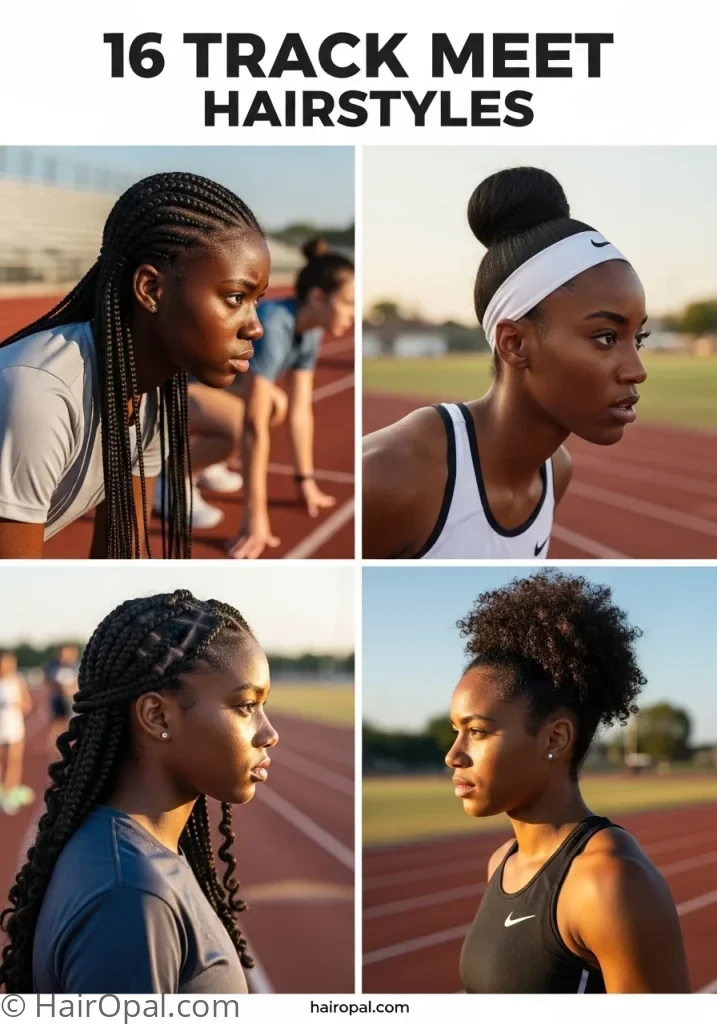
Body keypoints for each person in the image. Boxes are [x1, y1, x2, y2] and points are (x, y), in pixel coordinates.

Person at [0, 589, 278, 994]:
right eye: (246, 705)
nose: (269, 734)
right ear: (156, 715)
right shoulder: (130, 897)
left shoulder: (133, 856)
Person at [363, 167, 649, 558]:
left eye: (639, 338)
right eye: (606, 337)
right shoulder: (390, 477)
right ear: (513, 343)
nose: (637, 370)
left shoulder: (555, 471)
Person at [0, 172, 269, 559]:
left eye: (256, 300)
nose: (255, 326)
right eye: (234, 297)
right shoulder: (40, 393)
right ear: (150, 289)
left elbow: (121, 549)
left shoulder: (153, 387)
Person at [445, 570, 689, 994]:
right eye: (455, 730)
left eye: (478, 731)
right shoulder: (503, 862)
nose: (454, 754)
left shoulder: (610, 883)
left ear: (555, 738)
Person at [228, 239, 355, 559]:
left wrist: (305, 481)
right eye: (348, 303)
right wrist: (255, 516)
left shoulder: (309, 329)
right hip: (174, 393)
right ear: (317, 297)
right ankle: (174, 480)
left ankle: (201, 466)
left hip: (217, 392)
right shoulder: (273, 323)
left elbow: (301, 411)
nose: (354, 314)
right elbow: (254, 426)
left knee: (278, 404)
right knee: (260, 411)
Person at [0, 651, 33, 815]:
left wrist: (16, 704)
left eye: (10, 663)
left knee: (13, 762)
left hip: (14, 729)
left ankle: (9, 795)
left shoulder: (17, 681)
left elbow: (27, 705)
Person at [43, 645, 80, 754]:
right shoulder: (55, 667)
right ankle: (54, 747)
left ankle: (73, 746)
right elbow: (49, 682)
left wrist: (70, 689)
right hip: (59, 700)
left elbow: (79, 684)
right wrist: (59, 689)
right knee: (58, 724)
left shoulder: (77, 666)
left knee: (73, 723)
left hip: (73, 701)